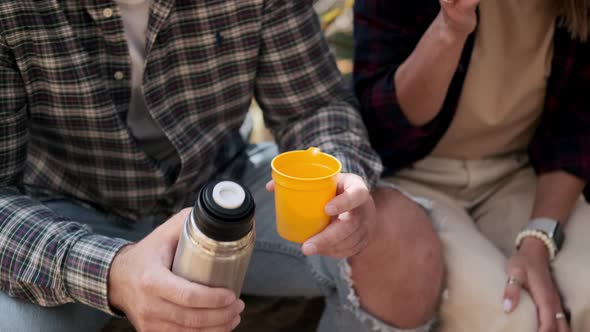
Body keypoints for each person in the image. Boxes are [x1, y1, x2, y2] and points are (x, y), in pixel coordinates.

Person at [0, 1, 445, 331]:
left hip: (221, 191)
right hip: (62, 218)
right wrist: (111, 270)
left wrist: (340, 176)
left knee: (401, 242)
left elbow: (312, 106)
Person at [354, 0, 590, 331]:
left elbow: (575, 127)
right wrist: (450, 28)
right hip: (412, 176)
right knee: (510, 320)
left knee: (586, 300)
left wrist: (538, 240)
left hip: (522, 174)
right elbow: (385, 125)